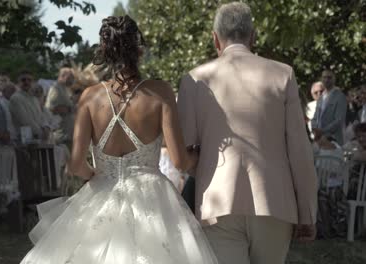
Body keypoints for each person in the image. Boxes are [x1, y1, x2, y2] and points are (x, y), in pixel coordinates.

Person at [20, 15, 217, 264]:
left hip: (101, 191)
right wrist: (198, 154)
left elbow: (75, 165)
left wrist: (99, 176)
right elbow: (179, 161)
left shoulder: (89, 97)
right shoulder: (160, 92)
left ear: (106, 52)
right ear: (139, 50)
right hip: (152, 196)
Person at [178, 3, 317, 264]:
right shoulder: (283, 74)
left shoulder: (194, 79)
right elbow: (299, 150)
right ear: (253, 36)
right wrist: (307, 211)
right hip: (275, 202)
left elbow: (184, 151)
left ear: (215, 38)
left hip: (217, 204)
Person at [9, 71, 49, 140]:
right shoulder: (15, 98)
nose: (26, 82)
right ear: (18, 82)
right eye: (23, 80)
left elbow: (41, 116)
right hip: (24, 139)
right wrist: (41, 133)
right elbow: (25, 121)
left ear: (33, 82)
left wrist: (46, 127)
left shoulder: (34, 98)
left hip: (38, 137)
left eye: (29, 80)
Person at [311, 69, 347, 144]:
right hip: (319, 138)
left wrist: (322, 131)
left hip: (334, 139)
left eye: (329, 77)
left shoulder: (340, 96)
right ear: (321, 79)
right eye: (324, 77)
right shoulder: (321, 97)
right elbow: (315, 116)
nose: (326, 80)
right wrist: (314, 129)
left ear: (334, 79)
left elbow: (339, 120)